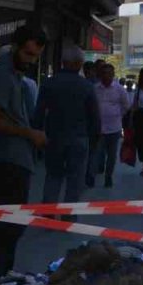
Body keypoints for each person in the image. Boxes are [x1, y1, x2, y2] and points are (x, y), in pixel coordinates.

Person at [0, 26, 48, 275]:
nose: (32, 61)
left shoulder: (16, 77)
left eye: (36, 56)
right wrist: (30, 134)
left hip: (17, 161)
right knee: (6, 229)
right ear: (17, 48)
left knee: (12, 228)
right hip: (4, 162)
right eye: (29, 54)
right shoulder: (1, 76)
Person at [34, 44, 100, 205]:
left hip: (54, 137)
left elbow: (39, 112)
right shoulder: (86, 86)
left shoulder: (49, 83)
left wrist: (37, 135)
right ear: (78, 64)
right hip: (79, 139)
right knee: (75, 180)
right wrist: (94, 141)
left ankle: (48, 212)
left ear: (63, 62)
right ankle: (69, 216)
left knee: (53, 176)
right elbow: (94, 117)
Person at [90, 62, 131, 188]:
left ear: (113, 75)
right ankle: (91, 176)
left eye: (109, 73)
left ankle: (108, 177)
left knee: (112, 156)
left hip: (114, 128)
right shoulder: (95, 88)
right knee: (96, 154)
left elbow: (126, 106)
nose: (106, 76)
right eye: (104, 73)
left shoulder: (119, 89)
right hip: (99, 129)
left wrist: (116, 114)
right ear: (100, 75)